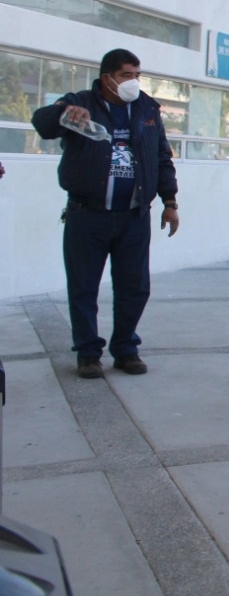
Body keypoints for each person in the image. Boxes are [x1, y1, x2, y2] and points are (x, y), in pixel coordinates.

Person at [31, 48, 179, 379]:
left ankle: (126, 349)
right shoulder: (80, 101)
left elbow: (161, 158)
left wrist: (170, 202)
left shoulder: (147, 109)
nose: (134, 82)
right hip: (88, 215)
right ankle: (88, 353)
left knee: (135, 286)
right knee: (83, 286)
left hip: (134, 217)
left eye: (138, 75)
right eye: (127, 75)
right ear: (107, 78)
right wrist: (62, 113)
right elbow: (42, 124)